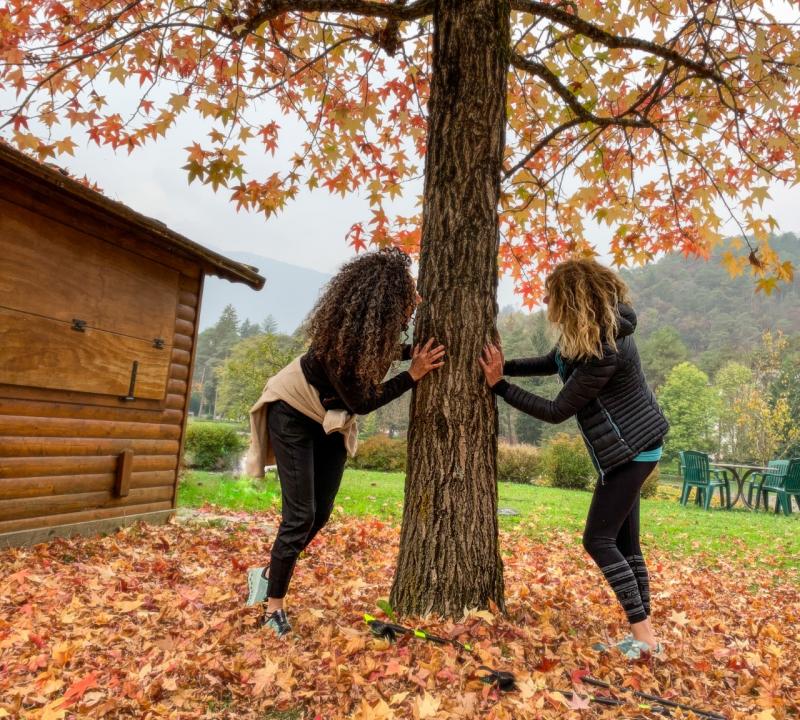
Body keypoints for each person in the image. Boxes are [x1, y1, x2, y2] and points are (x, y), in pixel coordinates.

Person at [243, 248, 445, 637]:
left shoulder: (369, 334)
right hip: (293, 412)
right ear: (382, 301)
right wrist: (413, 374)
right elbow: (363, 401)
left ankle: (269, 573)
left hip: (328, 420)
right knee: (300, 516)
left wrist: (411, 355)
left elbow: (382, 355)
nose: (412, 307)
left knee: (320, 514)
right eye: (407, 299)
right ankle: (273, 609)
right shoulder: (341, 342)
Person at [479, 258, 669, 656]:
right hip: (629, 449)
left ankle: (646, 638)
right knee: (625, 543)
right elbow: (553, 363)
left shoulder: (606, 346)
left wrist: (498, 386)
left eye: (551, 291)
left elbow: (556, 410)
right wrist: (504, 367)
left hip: (632, 451)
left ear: (572, 297)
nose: (544, 297)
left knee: (598, 540)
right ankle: (645, 638)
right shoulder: (587, 332)